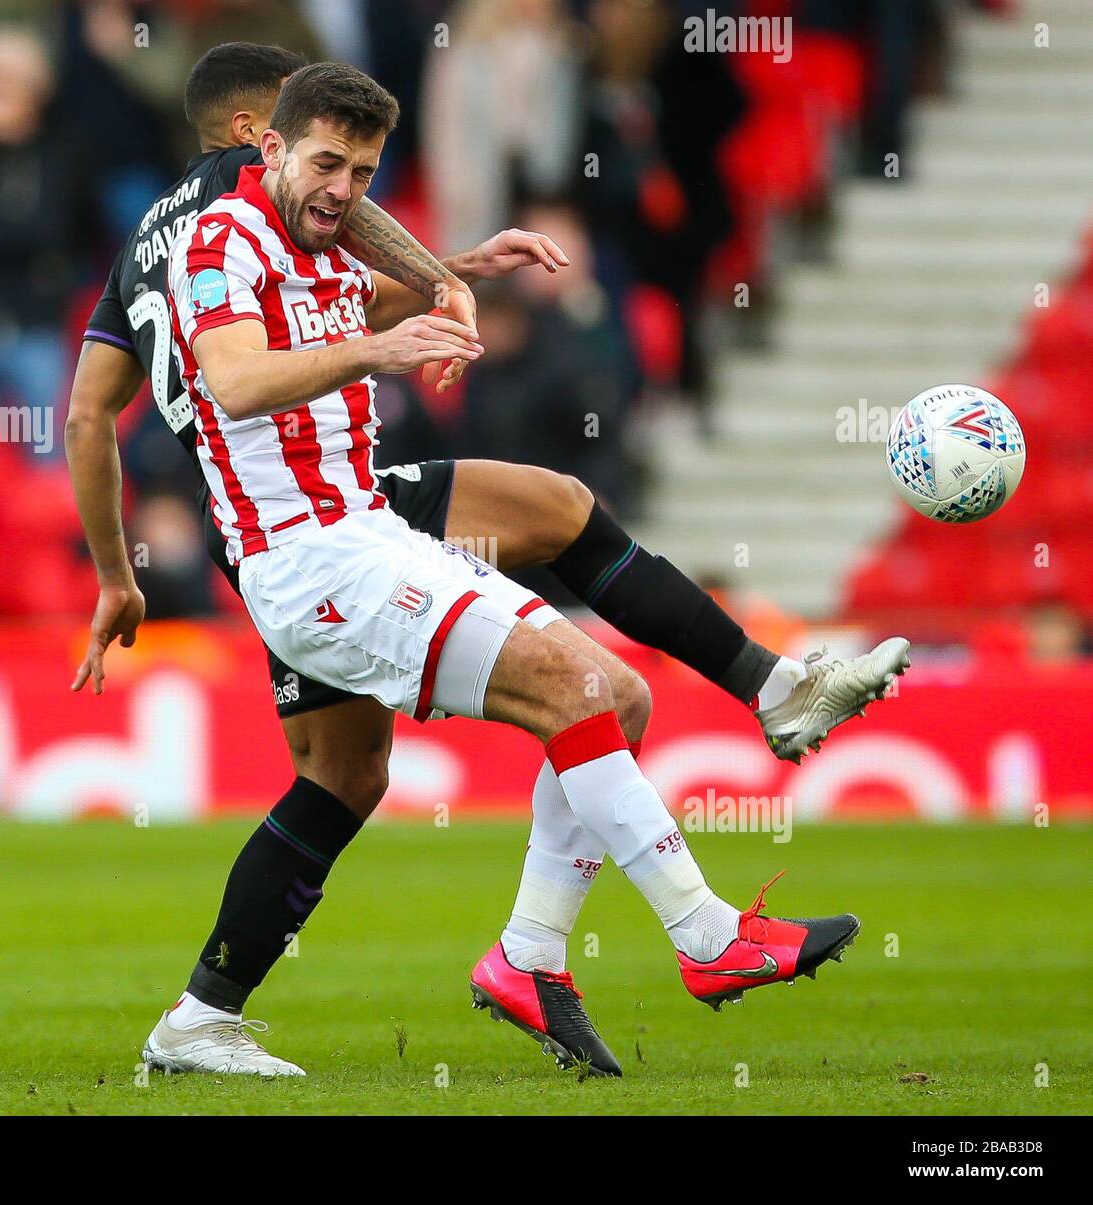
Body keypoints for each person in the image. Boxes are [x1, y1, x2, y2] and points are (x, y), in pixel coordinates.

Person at [66, 48, 910, 1079]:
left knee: (602, 698)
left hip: (354, 521)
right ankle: (706, 930)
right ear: (259, 136)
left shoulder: (286, 237)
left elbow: (104, 405)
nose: (345, 192)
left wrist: (443, 275)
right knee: (561, 655)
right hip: (304, 547)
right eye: (324, 160)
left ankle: (517, 957)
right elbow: (237, 381)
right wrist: (400, 328)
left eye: (365, 173)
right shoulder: (219, 226)